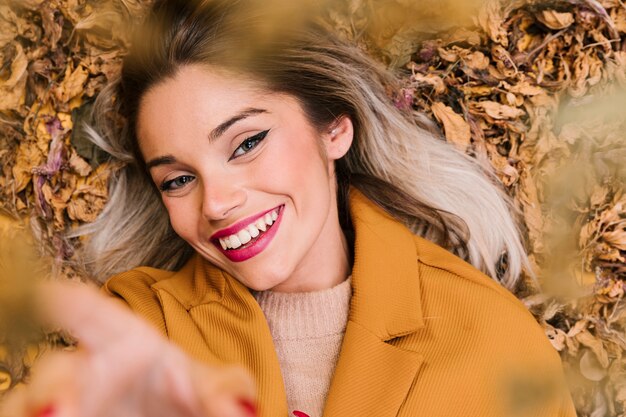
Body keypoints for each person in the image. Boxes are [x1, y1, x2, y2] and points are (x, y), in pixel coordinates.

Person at [1, 0, 577, 416]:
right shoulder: (147, 331)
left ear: (333, 129)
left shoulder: (491, 343)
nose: (218, 203)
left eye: (247, 143)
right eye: (178, 179)